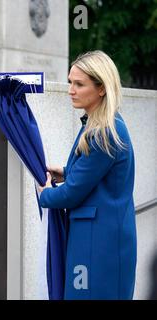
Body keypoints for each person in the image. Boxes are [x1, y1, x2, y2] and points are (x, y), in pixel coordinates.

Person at [38, 51, 136, 299]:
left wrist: (45, 194)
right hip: (101, 236)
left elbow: (72, 194)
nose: (71, 89)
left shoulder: (103, 132)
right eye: (70, 81)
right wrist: (67, 171)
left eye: (79, 84)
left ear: (101, 88)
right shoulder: (106, 124)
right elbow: (99, 175)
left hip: (97, 242)